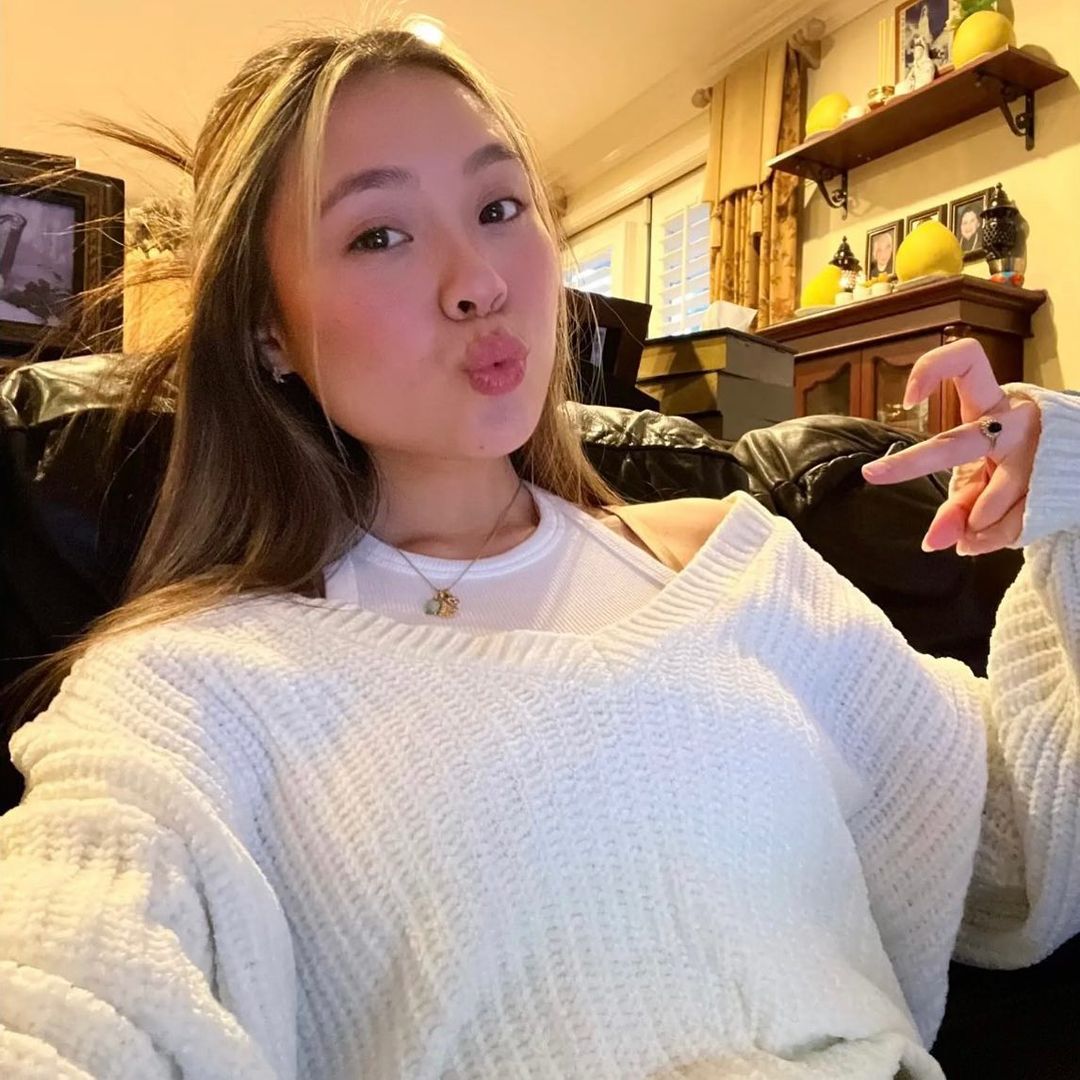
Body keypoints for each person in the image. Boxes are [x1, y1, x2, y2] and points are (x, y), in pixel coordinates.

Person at [1, 22, 1079, 1080]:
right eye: (379, 235)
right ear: (267, 330)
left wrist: (1066, 482)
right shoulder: (186, 689)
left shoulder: (727, 563)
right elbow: (76, 979)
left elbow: (1020, 851)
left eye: (499, 207)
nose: (480, 280)